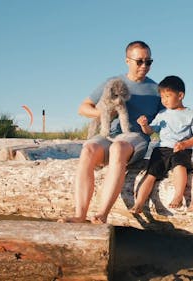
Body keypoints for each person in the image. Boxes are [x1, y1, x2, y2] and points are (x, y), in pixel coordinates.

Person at [59, 41, 163, 224]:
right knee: (88, 150)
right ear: (127, 60)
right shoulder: (112, 83)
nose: (144, 66)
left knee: (118, 147)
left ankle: (102, 214)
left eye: (149, 62)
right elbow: (83, 108)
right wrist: (105, 112)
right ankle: (80, 215)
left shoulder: (157, 90)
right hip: (108, 135)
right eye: (139, 61)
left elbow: (167, 120)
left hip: (134, 139)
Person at [129, 75, 193, 213]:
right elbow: (151, 131)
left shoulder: (191, 114)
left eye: (168, 96)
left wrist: (185, 144)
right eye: (162, 97)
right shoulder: (162, 114)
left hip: (181, 149)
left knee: (180, 167)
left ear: (180, 95)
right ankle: (139, 203)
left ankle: (178, 196)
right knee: (151, 174)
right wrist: (144, 125)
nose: (164, 100)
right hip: (162, 150)